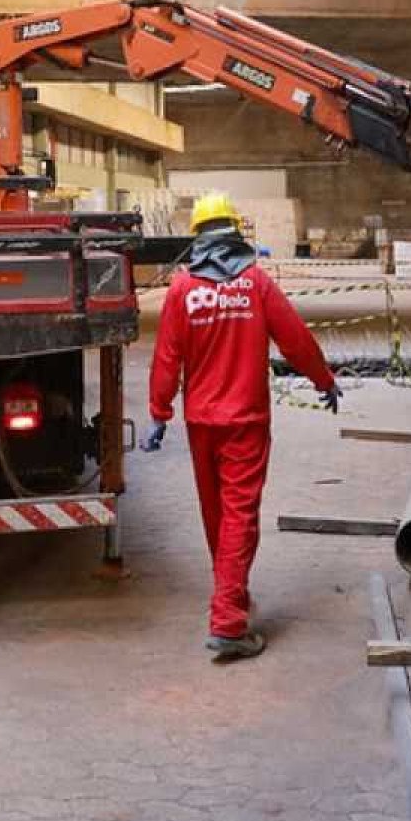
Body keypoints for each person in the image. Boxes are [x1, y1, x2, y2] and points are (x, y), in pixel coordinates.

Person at [144, 192, 340, 662]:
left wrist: (158, 413)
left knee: (218, 514)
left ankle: (230, 592)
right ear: (236, 233)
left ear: (197, 236)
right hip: (245, 422)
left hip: (201, 423)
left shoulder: (180, 290)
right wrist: (323, 380)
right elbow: (296, 339)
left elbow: (167, 358)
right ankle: (229, 621)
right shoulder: (256, 285)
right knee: (239, 516)